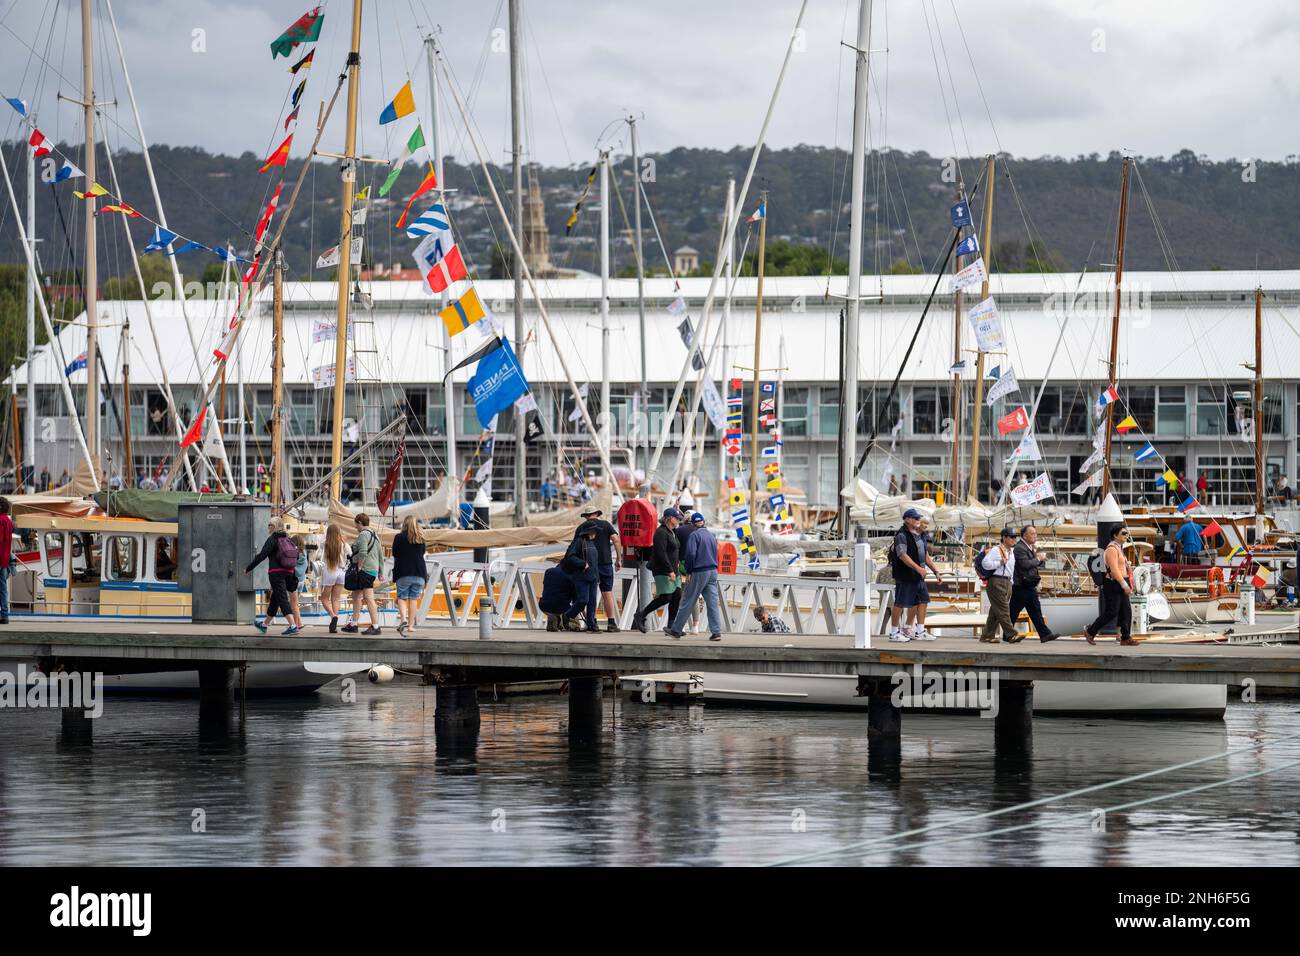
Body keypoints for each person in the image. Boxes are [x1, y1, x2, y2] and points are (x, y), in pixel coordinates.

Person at [888, 508, 943, 642]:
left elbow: (925, 555)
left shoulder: (919, 535)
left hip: (918, 577)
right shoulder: (901, 535)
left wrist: (936, 571)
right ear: (907, 520)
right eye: (916, 519)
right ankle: (894, 633)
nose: (919, 521)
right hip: (905, 575)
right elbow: (902, 555)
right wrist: (919, 569)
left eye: (919, 519)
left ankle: (920, 631)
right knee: (900, 603)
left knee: (923, 601)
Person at [667, 513, 722, 641]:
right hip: (713, 570)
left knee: (688, 599)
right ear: (703, 522)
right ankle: (716, 632)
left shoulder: (694, 535)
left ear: (692, 524)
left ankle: (676, 630)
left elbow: (691, 554)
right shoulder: (711, 536)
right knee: (712, 602)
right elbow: (717, 553)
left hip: (699, 570)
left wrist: (689, 571)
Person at [245, 514, 300, 635]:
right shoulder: (288, 538)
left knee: (282, 598)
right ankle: (264, 625)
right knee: (275, 599)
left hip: (276, 574)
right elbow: (297, 556)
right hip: (289, 572)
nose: (268, 526)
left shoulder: (273, 539)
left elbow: (262, 555)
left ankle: (292, 625)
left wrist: (249, 568)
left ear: (275, 527)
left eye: (270, 525)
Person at [634, 507, 683, 633]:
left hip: (674, 570)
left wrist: (676, 567)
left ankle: (671, 626)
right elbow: (661, 553)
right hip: (663, 570)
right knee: (666, 597)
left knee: (677, 595)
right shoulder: (661, 532)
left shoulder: (673, 532)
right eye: (676, 518)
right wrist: (670, 570)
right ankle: (641, 614)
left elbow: (674, 551)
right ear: (669, 518)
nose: (678, 520)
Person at [1085, 525, 1136, 646]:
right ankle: (1090, 631)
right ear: (1115, 535)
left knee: (1126, 611)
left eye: (1126, 533)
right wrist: (1124, 584)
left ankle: (1125, 637)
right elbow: (1114, 570)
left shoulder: (1119, 548)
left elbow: (1120, 567)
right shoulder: (1111, 549)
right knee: (1111, 612)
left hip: (1120, 581)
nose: (1126, 535)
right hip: (1114, 583)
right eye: (1123, 533)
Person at [1009, 525, 1057, 642]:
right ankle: (1007, 634)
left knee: (1035, 610)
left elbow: (1032, 564)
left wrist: (1040, 560)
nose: (1035, 536)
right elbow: (1025, 565)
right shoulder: (1020, 548)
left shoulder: (1028, 547)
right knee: (1013, 611)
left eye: (1035, 533)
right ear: (1025, 535)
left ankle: (1045, 634)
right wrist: (1038, 559)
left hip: (1029, 585)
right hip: (1021, 585)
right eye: (1032, 534)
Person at [576, 507, 621, 631]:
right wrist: (618, 558)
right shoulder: (606, 525)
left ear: (586, 516)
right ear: (597, 514)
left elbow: (576, 545)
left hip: (589, 564)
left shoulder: (582, 527)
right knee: (607, 592)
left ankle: (592, 622)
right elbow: (616, 540)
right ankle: (611, 623)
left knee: (591, 593)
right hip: (605, 563)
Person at [342, 513, 382, 635]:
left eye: (356, 524)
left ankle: (375, 626)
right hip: (372, 569)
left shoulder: (364, 535)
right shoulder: (375, 535)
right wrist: (380, 571)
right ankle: (354, 624)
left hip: (365, 569)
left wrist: (359, 566)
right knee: (356, 595)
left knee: (368, 598)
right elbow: (380, 554)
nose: (355, 527)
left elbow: (363, 552)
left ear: (359, 523)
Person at [978, 527, 1020, 644]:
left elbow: (1011, 569)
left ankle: (987, 635)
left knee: (996, 611)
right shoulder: (997, 550)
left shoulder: (1010, 552)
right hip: (997, 581)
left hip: (1007, 582)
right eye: (1011, 537)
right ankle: (1011, 634)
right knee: (1003, 610)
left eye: (1014, 537)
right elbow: (985, 564)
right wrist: (999, 563)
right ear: (1004, 538)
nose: (1014, 539)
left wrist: (1011, 581)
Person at [392, 515, 428, 636]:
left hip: (403, 572)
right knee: (414, 599)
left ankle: (403, 620)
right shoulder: (420, 538)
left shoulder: (399, 537)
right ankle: (411, 626)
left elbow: (395, 553)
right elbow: (422, 553)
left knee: (402, 597)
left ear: (404, 524)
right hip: (419, 573)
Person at [562, 521, 601, 632]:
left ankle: (591, 624)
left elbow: (595, 561)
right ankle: (567, 616)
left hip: (593, 577)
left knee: (592, 602)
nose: (596, 533)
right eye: (594, 530)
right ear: (589, 531)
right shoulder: (579, 541)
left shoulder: (592, 542)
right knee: (583, 600)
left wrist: (598, 577)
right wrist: (583, 563)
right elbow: (570, 557)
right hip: (581, 576)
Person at [317, 524, 347, 633]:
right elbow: (350, 555)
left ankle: (333, 616)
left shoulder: (325, 544)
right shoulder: (344, 544)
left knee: (324, 598)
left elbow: (319, 551)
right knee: (336, 599)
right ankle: (335, 623)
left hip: (330, 571)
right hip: (341, 572)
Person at [540, 562, 577, 631]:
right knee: (574, 607)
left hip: (543, 605)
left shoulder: (548, 571)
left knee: (553, 599)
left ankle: (555, 620)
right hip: (561, 607)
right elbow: (575, 597)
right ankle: (572, 625)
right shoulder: (570, 575)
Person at [287, 533, 308, 631]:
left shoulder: (293, 553)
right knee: (295, 603)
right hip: (302, 581)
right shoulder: (304, 553)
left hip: (294, 581)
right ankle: (297, 623)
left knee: (293, 604)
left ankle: (298, 623)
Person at [0, 497, 13, 624]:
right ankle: (4, 615)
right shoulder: (8, 521)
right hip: (4, 559)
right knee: (3, 588)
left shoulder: (0, 520)